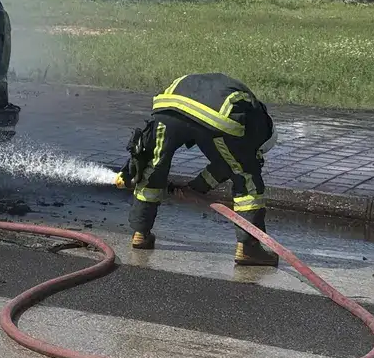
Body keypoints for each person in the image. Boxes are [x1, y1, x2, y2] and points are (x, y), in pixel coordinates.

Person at [116, 73, 279, 266]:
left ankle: (140, 234)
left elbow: (224, 163)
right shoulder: (258, 122)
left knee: (153, 166)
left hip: (168, 106)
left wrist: (195, 187)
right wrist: (247, 162)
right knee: (247, 178)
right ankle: (249, 249)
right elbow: (234, 162)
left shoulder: (245, 104)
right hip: (218, 116)